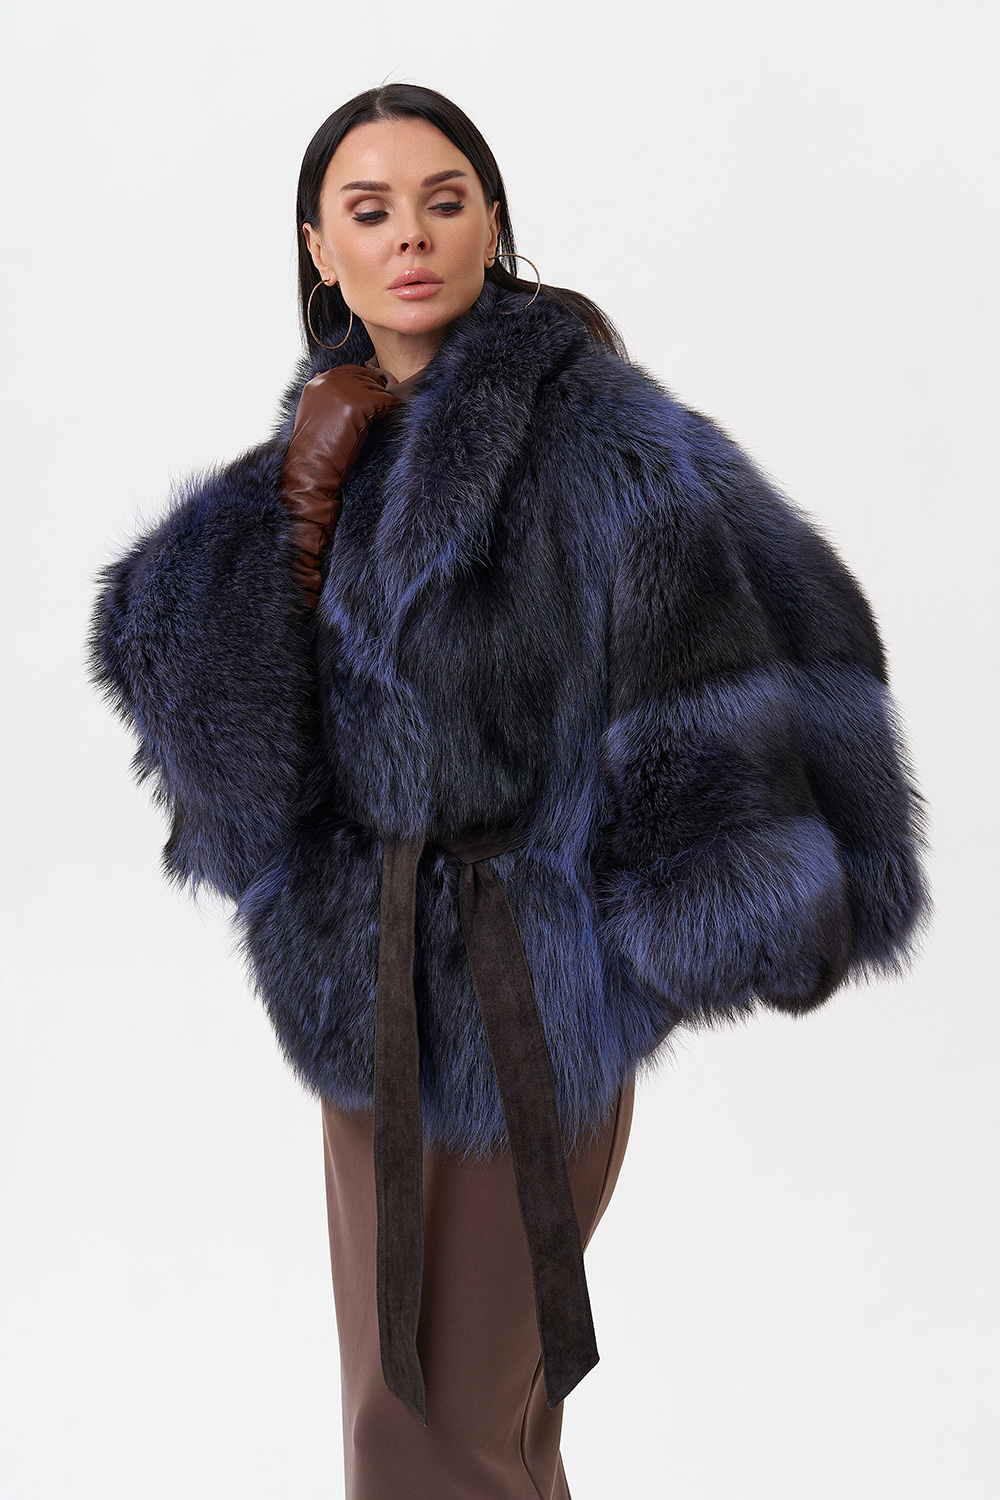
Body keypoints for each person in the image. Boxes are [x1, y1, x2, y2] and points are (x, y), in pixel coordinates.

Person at [88, 82, 930, 1499]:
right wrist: (292, 512)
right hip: (366, 1004)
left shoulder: (600, 435)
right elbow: (220, 759)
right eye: (370, 212)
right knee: (439, 1430)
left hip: (525, 1001)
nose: (411, 237)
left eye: (444, 201)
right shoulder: (327, 440)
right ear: (322, 250)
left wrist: (657, 930)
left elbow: (764, 638)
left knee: (436, 1437)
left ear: (493, 223)